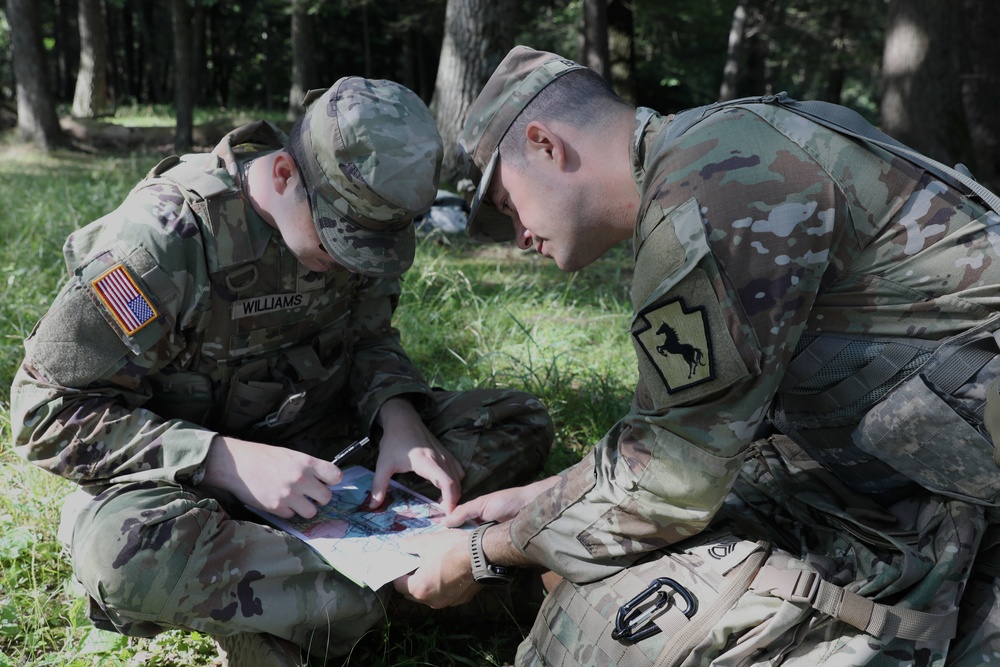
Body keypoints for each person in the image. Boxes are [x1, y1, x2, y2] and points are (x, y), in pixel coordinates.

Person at [393, 46, 1000, 666]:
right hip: (912, 463)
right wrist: (549, 496)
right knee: (589, 577)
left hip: (958, 488)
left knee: (617, 633)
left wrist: (486, 552)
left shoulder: (714, 189)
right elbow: (682, 435)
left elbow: (673, 478)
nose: (518, 235)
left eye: (505, 204)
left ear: (545, 144)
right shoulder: (716, 151)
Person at [9, 76, 553, 666]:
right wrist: (224, 460)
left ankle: (283, 611)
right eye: (338, 242)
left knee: (516, 419)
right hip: (192, 490)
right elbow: (43, 411)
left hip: (328, 459)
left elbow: (368, 335)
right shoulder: (159, 244)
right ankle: (434, 582)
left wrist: (399, 415)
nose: (351, 262)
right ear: (283, 174)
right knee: (125, 554)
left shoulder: (362, 216)